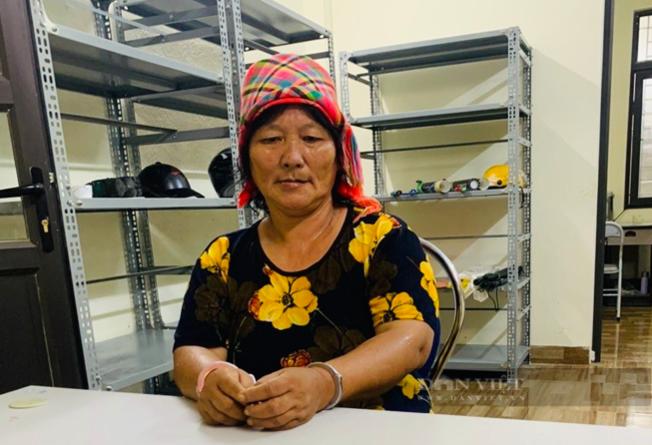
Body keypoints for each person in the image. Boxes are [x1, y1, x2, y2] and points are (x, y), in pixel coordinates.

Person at [173, 54, 441, 431]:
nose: (292, 158)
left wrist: (323, 383)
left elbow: (412, 340)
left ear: (340, 153)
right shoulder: (223, 257)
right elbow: (192, 349)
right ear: (247, 157)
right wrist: (208, 377)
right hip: (259, 434)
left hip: (380, 431)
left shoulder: (383, 238)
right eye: (271, 139)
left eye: (312, 138)